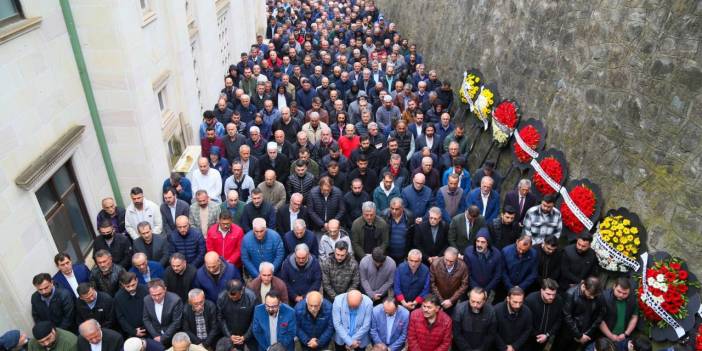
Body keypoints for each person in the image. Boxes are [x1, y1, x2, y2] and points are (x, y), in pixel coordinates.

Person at [552, 277, 606, 351]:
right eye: (590, 294)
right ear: (583, 286)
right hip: (567, 333)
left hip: (584, 333)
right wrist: (579, 335)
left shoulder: (597, 294)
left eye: (594, 295)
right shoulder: (570, 294)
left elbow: (600, 315)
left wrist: (587, 333)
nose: (592, 297)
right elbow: (567, 317)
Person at [215, 279, 257, 351]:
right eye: (230, 294)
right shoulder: (221, 298)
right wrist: (229, 335)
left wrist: (245, 336)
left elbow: (255, 319)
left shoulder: (251, 297)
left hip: (249, 335)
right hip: (231, 336)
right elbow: (220, 318)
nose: (232, 297)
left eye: (235, 295)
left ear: (242, 290)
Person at [598, 278, 638, 351]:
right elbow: (600, 319)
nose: (621, 295)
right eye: (619, 291)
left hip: (623, 337)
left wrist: (626, 334)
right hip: (604, 337)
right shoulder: (604, 297)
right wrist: (611, 336)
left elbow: (634, 317)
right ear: (614, 286)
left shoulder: (632, 299)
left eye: (625, 293)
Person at [524, 278, 563, 351]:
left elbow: (559, 320)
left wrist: (547, 335)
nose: (551, 297)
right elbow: (524, 321)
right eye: (548, 294)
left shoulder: (559, 301)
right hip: (528, 338)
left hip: (545, 337)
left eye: (554, 294)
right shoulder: (530, 300)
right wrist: (536, 335)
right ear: (542, 290)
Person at [143, 279, 184, 347]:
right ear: (149, 293)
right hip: (155, 335)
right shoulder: (146, 300)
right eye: (153, 295)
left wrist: (163, 338)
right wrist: (155, 335)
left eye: (159, 294)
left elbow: (176, 322)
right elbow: (146, 319)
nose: (157, 298)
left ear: (165, 289)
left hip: (172, 336)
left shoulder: (175, 300)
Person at [429, 247, 469, 314]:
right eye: (446, 260)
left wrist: (451, 300)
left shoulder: (463, 267)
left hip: (454, 300)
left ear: (456, 258)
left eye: (451, 261)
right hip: (437, 299)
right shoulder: (435, 264)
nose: (448, 263)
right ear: (444, 255)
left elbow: (464, 285)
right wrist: (441, 301)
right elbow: (432, 284)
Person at [464, 228, 503, 295]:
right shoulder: (468, 252)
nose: (479, 244)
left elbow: (497, 275)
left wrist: (486, 289)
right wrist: (476, 288)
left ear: (488, 243)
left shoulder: (496, 254)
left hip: (488, 290)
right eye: (477, 241)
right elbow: (467, 273)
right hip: (472, 289)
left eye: (483, 242)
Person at [500, 235, 539, 301]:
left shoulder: (534, 254)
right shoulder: (506, 251)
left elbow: (533, 273)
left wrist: (521, 287)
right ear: (517, 242)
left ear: (530, 247)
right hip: (505, 287)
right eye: (519, 248)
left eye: (524, 250)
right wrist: (510, 287)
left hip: (524, 287)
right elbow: (503, 271)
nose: (521, 251)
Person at [494, 287, 533, 351]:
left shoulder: (527, 311)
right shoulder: (496, 310)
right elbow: (493, 330)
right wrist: (504, 348)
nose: (518, 305)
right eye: (515, 302)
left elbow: (527, 330)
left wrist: (514, 346)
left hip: (518, 347)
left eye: (520, 302)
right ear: (508, 299)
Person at [113, 272, 148, 338]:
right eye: (127, 286)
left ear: (137, 280)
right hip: (131, 333)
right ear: (122, 284)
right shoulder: (118, 297)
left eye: (133, 285)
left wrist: (145, 328)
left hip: (149, 328)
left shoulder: (145, 290)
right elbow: (121, 318)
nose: (131, 288)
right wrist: (133, 331)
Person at [383, 197, 415, 263]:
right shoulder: (384, 216)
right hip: (388, 256)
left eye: (397, 209)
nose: (394, 211)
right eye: (392, 208)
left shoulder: (410, 217)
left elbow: (413, 237)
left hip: (404, 256)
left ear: (402, 208)